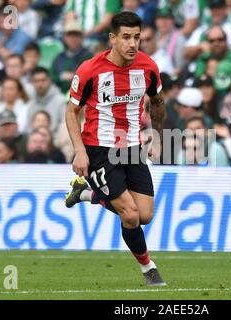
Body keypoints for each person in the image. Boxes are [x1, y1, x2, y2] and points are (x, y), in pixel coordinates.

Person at [64, 12, 166, 286]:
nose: (133, 44)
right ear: (113, 38)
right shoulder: (89, 70)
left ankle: (86, 193)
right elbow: (71, 111)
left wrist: (156, 135)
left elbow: (157, 102)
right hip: (98, 149)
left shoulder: (148, 67)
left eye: (137, 37)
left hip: (131, 147)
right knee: (130, 215)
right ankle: (149, 270)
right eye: (126, 37)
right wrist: (80, 151)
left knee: (144, 215)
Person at [50, 20, 92, 94]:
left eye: (76, 35)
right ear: (64, 38)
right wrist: (61, 77)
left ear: (82, 37)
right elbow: (51, 76)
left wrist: (72, 77)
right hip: (59, 94)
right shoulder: (59, 57)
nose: (73, 38)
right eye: (70, 35)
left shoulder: (88, 56)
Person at [28, 67, 66, 134]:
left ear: (49, 81)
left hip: (56, 141)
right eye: (36, 81)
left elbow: (64, 127)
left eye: (43, 80)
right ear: (32, 83)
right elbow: (29, 128)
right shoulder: (31, 103)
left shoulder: (61, 101)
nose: (40, 84)